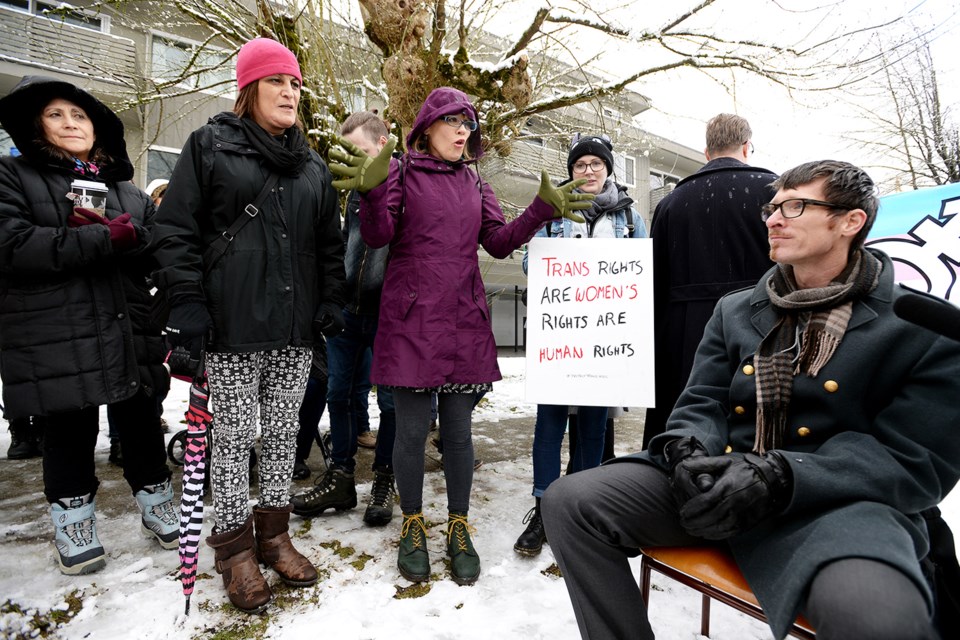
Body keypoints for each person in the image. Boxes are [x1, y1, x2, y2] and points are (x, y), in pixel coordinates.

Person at [542, 159, 960, 640]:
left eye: (795, 205)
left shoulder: (920, 326)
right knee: (571, 500)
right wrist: (686, 451)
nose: (773, 219)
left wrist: (779, 475)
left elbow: (911, 462)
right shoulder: (736, 307)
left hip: (834, 510)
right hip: (716, 481)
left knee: (875, 613)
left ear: (851, 221)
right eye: (773, 206)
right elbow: (702, 400)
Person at [326, 86, 593, 586]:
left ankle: (458, 524)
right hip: (410, 317)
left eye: (468, 123)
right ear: (427, 127)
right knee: (407, 431)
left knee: (458, 433)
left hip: (462, 318)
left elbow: (496, 243)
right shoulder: (400, 172)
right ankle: (411, 523)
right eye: (453, 121)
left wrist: (541, 209)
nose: (463, 130)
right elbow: (381, 235)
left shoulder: (476, 183)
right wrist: (371, 189)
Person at [151, 38, 346, 613]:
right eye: (276, 83)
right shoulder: (209, 145)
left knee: (284, 437)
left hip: (292, 328)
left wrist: (330, 298)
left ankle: (274, 533)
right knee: (233, 441)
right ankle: (234, 549)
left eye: (295, 84)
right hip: (232, 324)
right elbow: (175, 230)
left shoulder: (311, 163)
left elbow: (328, 244)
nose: (289, 93)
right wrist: (186, 301)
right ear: (249, 89)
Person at [0, 76, 177, 575]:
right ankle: (73, 521)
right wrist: (99, 241)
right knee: (68, 428)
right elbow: (10, 245)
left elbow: (155, 252)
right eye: (57, 115)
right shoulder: (12, 176)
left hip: (127, 325)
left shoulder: (125, 189)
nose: (71, 123)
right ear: (37, 125)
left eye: (80, 116)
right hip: (57, 329)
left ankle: (157, 503)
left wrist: (139, 244)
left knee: (141, 420)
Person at [514, 133, 648, 557]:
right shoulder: (552, 211)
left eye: (595, 164)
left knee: (593, 426)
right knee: (549, 426)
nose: (587, 171)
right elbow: (528, 261)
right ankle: (543, 509)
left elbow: (642, 270)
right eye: (579, 165)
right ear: (570, 171)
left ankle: (583, 510)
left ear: (608, 169)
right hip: (561, 337)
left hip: (604, 341)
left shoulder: (629, 217)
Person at [643, 113, 777, 448]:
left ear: (706, 152)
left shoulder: (671, 202)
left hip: (684, 330)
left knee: (686, 415)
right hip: (761, 324)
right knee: (757, 419)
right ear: (747, 147)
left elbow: (654, 279)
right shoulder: (773, 194)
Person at [292, 111, 398, 527]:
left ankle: (385, 480)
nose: (353, 159)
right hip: (349, 313)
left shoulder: (404, 183)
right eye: (347, 151)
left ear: (384, 142)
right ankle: (341, 475)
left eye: (361, 150)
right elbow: (344, 246)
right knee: (337, 394)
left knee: (388, 402)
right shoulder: (351, 190)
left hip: (389, 317)